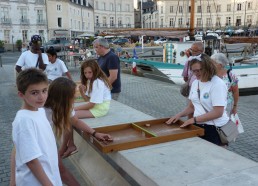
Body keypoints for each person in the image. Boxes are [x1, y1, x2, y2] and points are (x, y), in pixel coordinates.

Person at [11, 76, 113, 186]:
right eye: (72, 97)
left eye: (44, 91)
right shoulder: (40, 111)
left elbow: (75, 122)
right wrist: (13, 181)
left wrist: (95, 133)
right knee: (60, 170)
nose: (74, 99)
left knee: (60, 169)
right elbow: (18, 150)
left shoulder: (63, 107)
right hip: (37, 157)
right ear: (63, 98)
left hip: (46, 149)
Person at [12, 68, 62, 185]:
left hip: (49, 176)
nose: (41, 97)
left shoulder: (39, 110)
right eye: (34, 92)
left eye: (44, 91)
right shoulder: (24, 121)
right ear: (21, 94)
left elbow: (16, 149)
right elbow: (31, 161)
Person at [166, 53, 229, 146]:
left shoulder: (217, 84)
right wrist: (179, 115)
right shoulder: (196, 83)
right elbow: (191, 106)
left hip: (214, 128)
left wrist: (193, 120)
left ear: (208, 67)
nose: (197, 73)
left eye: (200, 70)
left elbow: (218, 112)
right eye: (194, 71)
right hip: (199, 125)